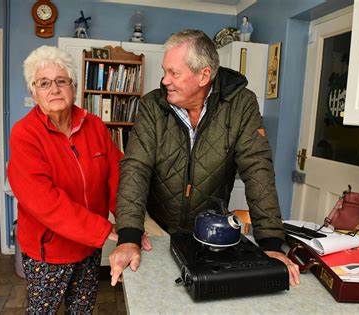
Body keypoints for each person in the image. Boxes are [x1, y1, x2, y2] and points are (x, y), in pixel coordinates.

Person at [109, 30, 300, 287]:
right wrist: (129, 236)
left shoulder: (241, 105)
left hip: (211, 229)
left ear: (204, 75)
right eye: (165, 71)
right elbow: (136, 168)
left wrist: (270, 244)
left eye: (174, 73)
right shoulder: (152, 106)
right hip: (155, 227)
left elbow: (258, 169)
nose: (164, 80)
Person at [7, 45, 124, 314]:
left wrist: (127, 221)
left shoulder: (94, 125)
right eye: (44, 83)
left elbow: (117, 175)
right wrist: (104, 229)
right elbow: (45, 202)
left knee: (82, 310)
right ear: (33, 91)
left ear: (73, 87)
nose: (54, 89)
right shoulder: (25, 134)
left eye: (61, 81)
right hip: (49, 251)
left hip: (89, 247)